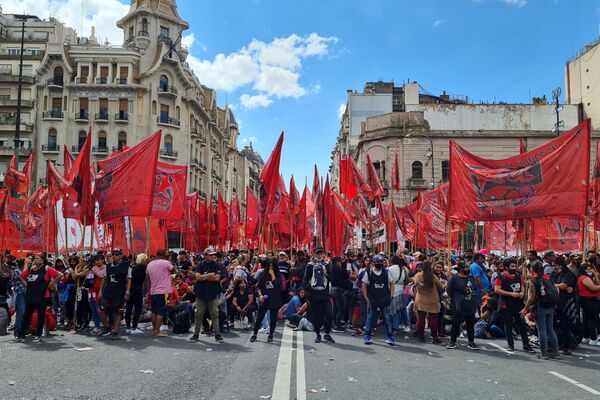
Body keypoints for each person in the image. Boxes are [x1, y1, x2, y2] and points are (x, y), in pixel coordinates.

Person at [17, 253, 64, 343]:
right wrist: (26, 285)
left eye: (38, 258)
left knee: (40, 316)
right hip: (31, 296)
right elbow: (21, 276)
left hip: (42, 297)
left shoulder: (46, 268)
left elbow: (60, 274)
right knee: (26, 316)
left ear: (42, 260)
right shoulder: (31, 269)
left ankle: (38, 335)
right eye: (35, 258)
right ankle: (22, 335)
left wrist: (52, 282)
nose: (35, 260)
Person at [521, 261, 562, 360]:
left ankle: (544, 353)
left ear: (532, 269)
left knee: (542, 331)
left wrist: (525, 309)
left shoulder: (533, 281)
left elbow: (531, 297)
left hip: (540, 308)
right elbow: (557, 290)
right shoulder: (547, 278)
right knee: (550, 330)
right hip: (550, 307)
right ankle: (556, 352)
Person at [493, 258, 535, 353]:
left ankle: (526, 345)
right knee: (508, 325)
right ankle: (510, 345)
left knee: (522, 325)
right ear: (506, 267)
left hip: (518, 304)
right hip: (506, 305)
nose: (514, 268)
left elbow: (522, 286)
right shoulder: (501, 277)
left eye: (515, 266)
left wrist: (522, 293)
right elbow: (497, 289)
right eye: (512, 266)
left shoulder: (518, 276)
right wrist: (511, 294)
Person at [190, 248, 227, 344]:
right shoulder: (200, 265)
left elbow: (217, 278)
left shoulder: (217, 265)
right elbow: (197, 277)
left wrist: (203, 277)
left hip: (213, 294)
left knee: (214, 314)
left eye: (213, 254)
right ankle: (196, 334)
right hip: (200, 294)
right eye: (210, 255)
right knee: (198, 314)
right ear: (205, 255)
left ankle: (217, 334)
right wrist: (210, 274)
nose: (213, 256)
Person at [303, 247, 335, 344]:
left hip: (325, 294)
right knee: (316, 316)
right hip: (314, 294)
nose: (319, 255)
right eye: (317, 253)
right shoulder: (310, 265)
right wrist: (309, 289)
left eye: (321, 253)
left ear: (323, 254)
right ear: (314, 254)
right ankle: (317, 334)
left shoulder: (327, 265)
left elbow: (333, 278)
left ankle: (327, 334)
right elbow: (305, 279)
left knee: (329, 313)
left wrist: (326, 275)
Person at [98, 248, 132, 340]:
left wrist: (127, 292)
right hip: (108, 291)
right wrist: (100, 290)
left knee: (118, 312)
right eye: (113, 254)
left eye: (117, 254)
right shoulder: (107, 266)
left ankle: (115, 330)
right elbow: (104, 279)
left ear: (121, 255)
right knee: (101, 310)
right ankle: (107, 326)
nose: (114, 256)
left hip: (119, 291)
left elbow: (129, 279)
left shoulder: (126, 266)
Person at [362, 254, 395, 346]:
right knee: (370, 317)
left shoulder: (386, 272)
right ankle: (367, 335)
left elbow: (392, 283)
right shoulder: (368, 273)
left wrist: (391, 295)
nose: (380, 263)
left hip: (384, 299)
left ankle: (390, 336)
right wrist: (366, 297)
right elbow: (364, 285)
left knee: (387, 317)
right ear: (373, 263)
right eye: (378, 262)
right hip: (372, 299)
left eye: (382, 262)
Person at [446, 261, 479, 350]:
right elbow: (449, 290)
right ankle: (452, 342)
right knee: (456, 323)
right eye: (466, 268)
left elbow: (474, 288)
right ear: (460, 268)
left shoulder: (471, 278)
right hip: (458, 305)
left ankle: (471, 342)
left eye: (468, 267)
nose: (468, 269)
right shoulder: (454, 279)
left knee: (470, 324)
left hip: (470, 304)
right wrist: (455, 297)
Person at [250, 258, 283, 343]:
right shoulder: (263, 274)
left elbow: (276, 284)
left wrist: (272, 275)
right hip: (264, 300)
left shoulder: (278, 275)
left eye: (272, 265)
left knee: (272, 318)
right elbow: (258, 287)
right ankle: (254, 334)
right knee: (259, 318)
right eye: (269, 265)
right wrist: (260, 295)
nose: (271, 267)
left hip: (274, 299)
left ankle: (271, 334)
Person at [551, 256, 578, 354]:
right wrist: (560, 286)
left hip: (566, 304)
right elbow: (548, 283)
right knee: (554, 325)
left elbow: (563, 285)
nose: (554, 267)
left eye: (555, 265)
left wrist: (560, 286)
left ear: (561, 265)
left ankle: (567, 347)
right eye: (553, 265)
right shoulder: (554, 273)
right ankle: (556, 345)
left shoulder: (568, 274)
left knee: (565, 326)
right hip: (555, 303)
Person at [413, 260, 444, 344]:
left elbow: (415, 284)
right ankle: (434, 337)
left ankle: (421, 336)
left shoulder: (418, 276)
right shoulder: (433, 276)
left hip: (421, 299)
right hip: (433, 299)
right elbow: (441, 286)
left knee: (421, 318)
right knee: (433, 319)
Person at [145, 249, 174, 337]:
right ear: (164, 255)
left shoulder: (150, 264)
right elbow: (174, 270)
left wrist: (149, 290)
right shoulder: (165, 262)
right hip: (163, 291)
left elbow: (147, 279)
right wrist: (169, 260)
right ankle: (157, 331)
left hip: (153, 291)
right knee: (161, 312)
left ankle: (154, 330)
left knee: (154, 311)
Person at [576, 262, 600, 346]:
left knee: (586, 319)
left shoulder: (587, 277)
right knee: (591, 319)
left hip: (587, 300)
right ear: (584, 270)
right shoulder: (584, 278)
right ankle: (593, 338)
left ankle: (586, 336)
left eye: (591, 268)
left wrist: (595, 274)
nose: (590, 270)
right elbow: (593, 288)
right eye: (588, 269)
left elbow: (597, 283)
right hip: (588, 300)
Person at [126, 253, 148, 335]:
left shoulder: (133, 267)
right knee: (138, 309)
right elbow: (146, 280)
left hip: (130, 289)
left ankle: (128, 327)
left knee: (128, 308)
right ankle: (134, 327)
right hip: (138, 289)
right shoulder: (145, 268)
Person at [330, 256, 349, 331]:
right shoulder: (340, 269)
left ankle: (334, 324)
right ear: (338, 262)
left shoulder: (331, 269)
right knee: (341, 308)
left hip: (333, 289)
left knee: (335, 308)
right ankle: (337, 325)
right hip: (339, 290)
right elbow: (346, 277)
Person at [10, 257, 26, 338]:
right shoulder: (17, 271)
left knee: (25, 313)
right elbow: (23, 278)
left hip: (27, 294)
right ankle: (17, 331)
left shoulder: (29, 271)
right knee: (21, 312)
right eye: (27, 263)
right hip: (20, 294)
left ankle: (24, 330)